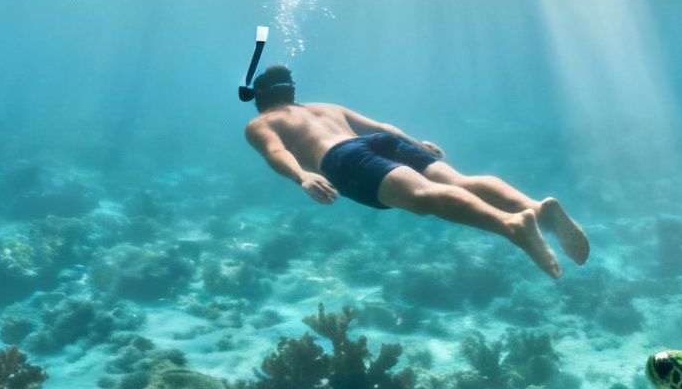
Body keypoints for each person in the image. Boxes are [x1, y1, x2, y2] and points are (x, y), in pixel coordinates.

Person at [241, 64, 589, 278]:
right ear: (292, 91)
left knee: (423, 198)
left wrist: (303, 176)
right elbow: (380, 125)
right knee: (461, 181)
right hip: (381, 142)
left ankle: (511, 226)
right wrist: (416, 144)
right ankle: (537, 209)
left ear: (258, 99)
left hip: (342, 159)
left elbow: (276, 151)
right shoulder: (324, 107)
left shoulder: (261, 122)